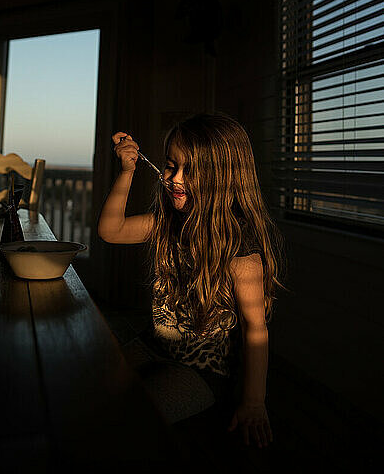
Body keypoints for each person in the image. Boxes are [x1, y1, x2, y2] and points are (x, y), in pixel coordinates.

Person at [97, 112, 288, 450]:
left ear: (224, 176)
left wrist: (254, 403)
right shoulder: (166, 224)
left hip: (202, 372)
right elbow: (111, 231)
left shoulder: (239, 248)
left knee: (129, 420)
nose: (175, 179)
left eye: (191, 171)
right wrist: (127, 172)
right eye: (171, 166)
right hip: (152, 345)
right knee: (90, 388)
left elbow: (255, 328)